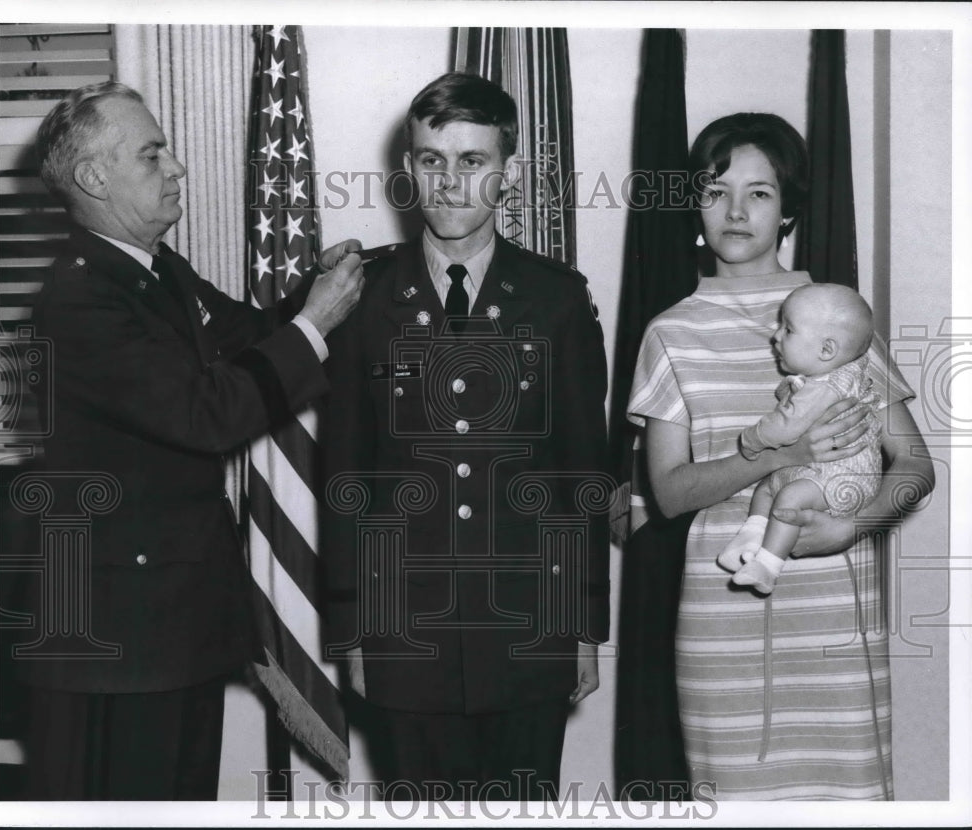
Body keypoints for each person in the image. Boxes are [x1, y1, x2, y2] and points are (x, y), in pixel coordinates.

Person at [18, 81, 364, 800]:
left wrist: (319, 295)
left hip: (177, 625)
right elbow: (207, 413)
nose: (177, 169)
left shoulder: (153, 271)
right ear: (94, 178)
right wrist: (315, 327)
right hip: (121, 646)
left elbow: (250, 338)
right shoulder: (80, 297)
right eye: (152, 155)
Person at [626, 112, 934, 800]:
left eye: (759, 193)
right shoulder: (670, 332)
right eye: (716, 190)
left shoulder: (836, 316)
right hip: (722, 633)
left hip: (835, 632)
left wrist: (855, 526)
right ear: (694, 205)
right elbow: (670, 493)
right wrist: (776, 455)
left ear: (788, 209)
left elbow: (916, 468)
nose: (735, 210)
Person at [322, 72, 610, 801]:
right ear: (407, 169)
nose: (449, 184)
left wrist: (581, 626)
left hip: (527, 632)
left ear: (506, 174)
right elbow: (347, 474)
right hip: (405, 635)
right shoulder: (361, 300)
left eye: (472, 162)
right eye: (430, 160)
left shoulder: (556, 300)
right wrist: (354, 630)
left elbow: (579, 472)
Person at [719, 283, 882, 593]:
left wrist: (751, 440)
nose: (776, 335)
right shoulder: (827, 375)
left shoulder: (827, 387)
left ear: (826, 350)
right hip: (819, 470)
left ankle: (767, 566)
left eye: (788, 330)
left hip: (847, 477)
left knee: (788, 498)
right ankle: (750, 537)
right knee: (767, 488)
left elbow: (786, 426)